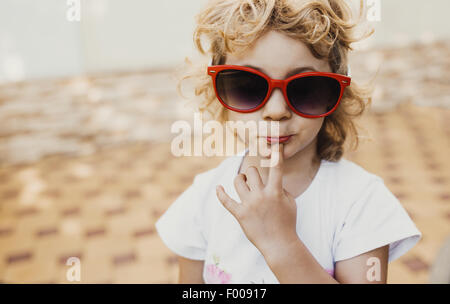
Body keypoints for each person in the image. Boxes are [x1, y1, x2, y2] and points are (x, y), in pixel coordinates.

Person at [155, 0, 421, 283]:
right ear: (219, 92)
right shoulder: (203, 198)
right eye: (248, 86)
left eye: (306, 88)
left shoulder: (363, 204)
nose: (276, 110)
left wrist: (281, 244)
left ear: (337, 94)